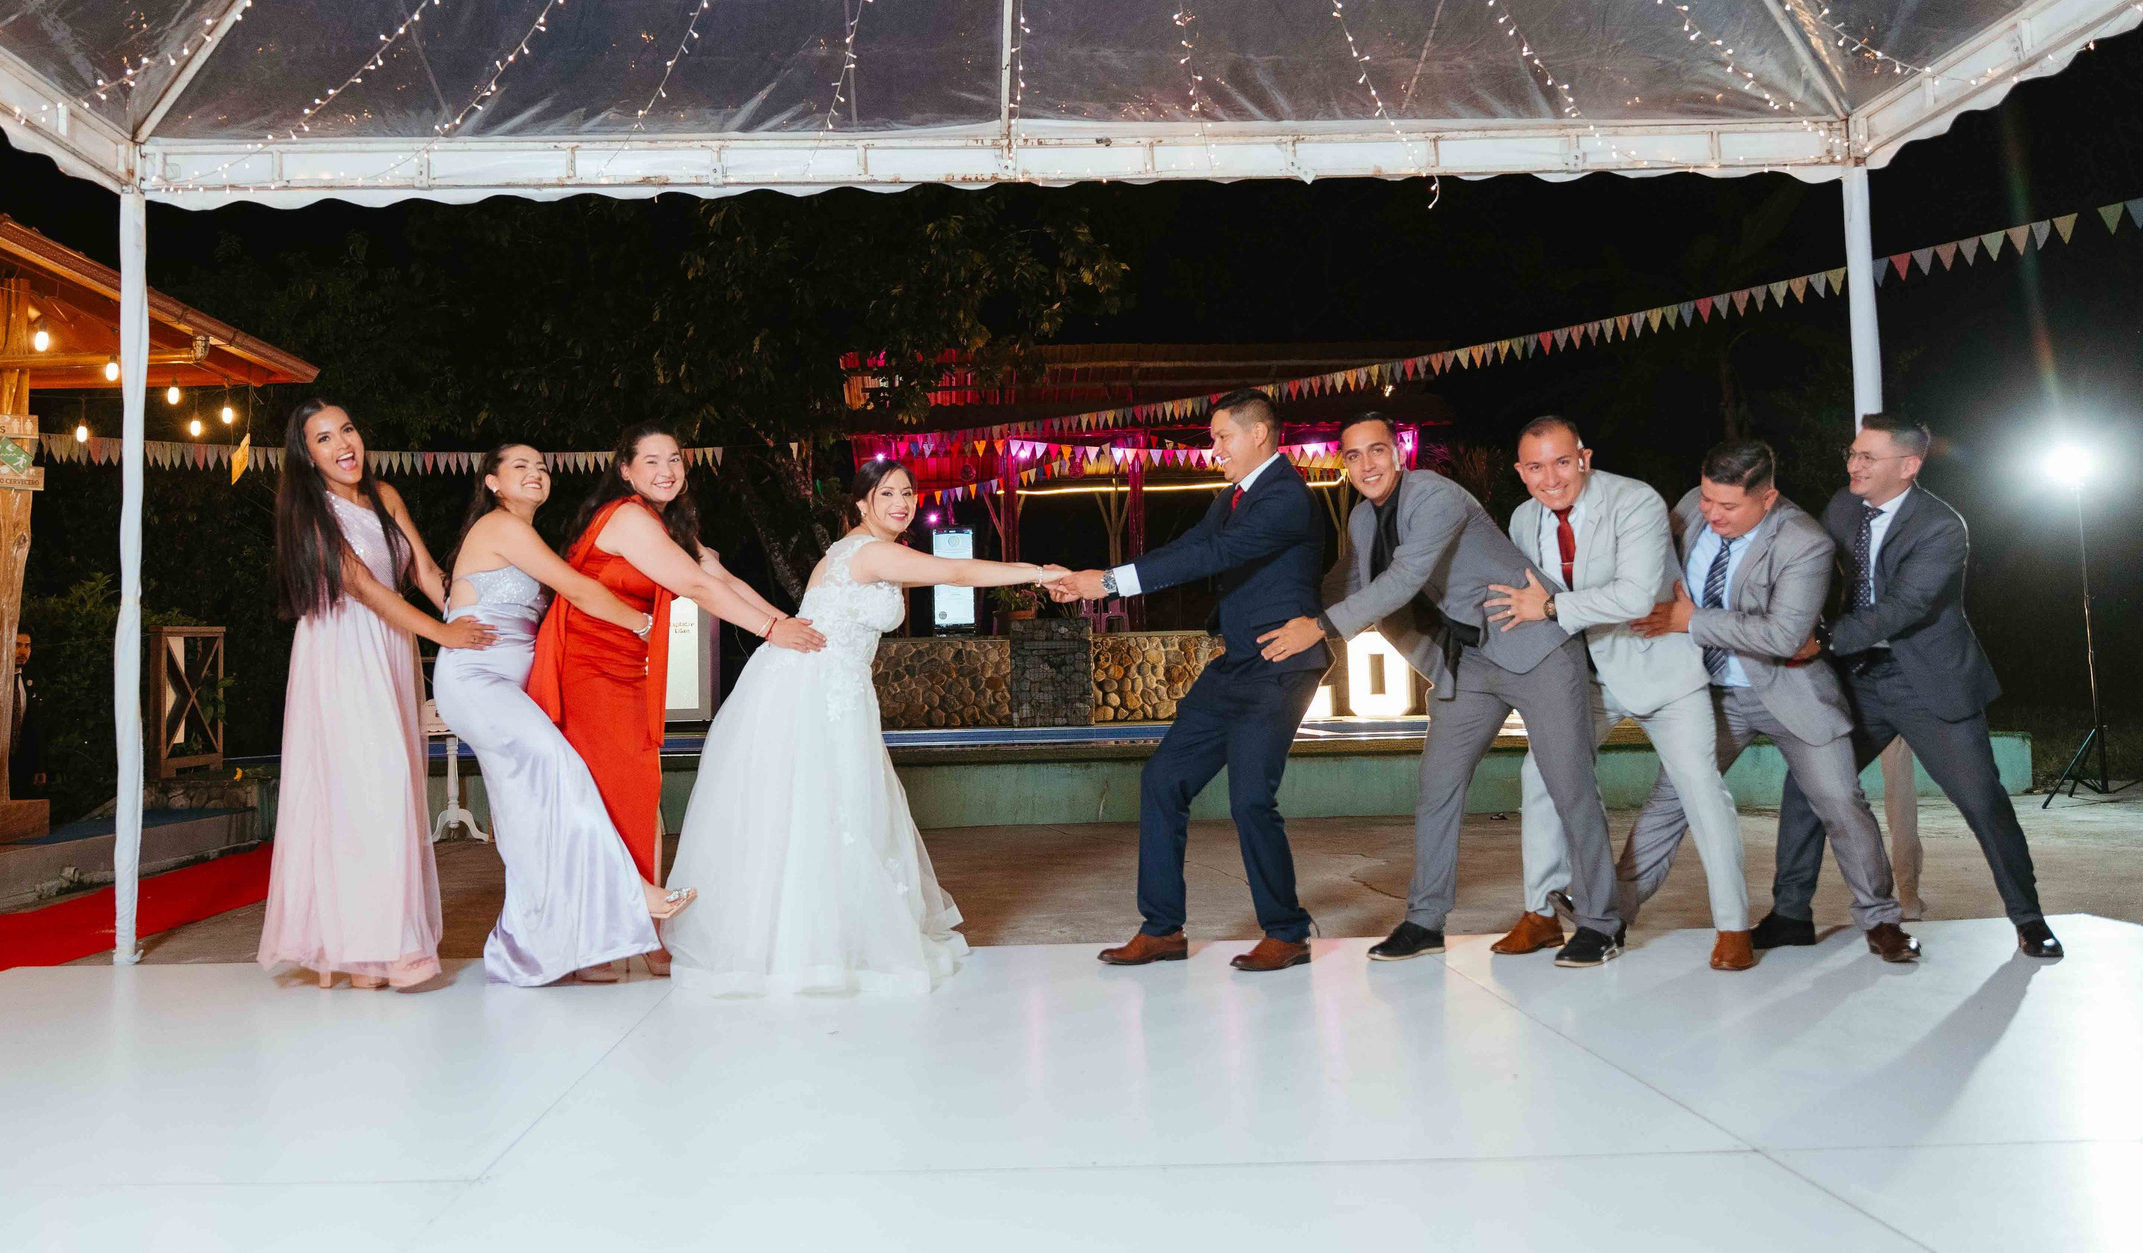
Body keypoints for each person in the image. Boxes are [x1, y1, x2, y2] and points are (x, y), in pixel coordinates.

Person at [665, 460, 1063, 996]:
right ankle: (812, 951)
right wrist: (1041, 573)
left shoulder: (850, 549)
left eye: (908, 493)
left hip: (826, 684)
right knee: (826, 810)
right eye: (887, 493)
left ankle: (822, 942)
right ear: (861, 503)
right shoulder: (870, 552)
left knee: (826, 812)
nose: (901, 503)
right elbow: (958, 573)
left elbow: (800, 613)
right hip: (816, 689)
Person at [1261, 413, 1624, 968]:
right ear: (1345, 466)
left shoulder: (1435, 496)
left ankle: (1601, 922)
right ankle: (1426, 921)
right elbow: (1348, 582)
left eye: (1376, 451)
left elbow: (1403, 579)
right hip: (1469, 663)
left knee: (1568, 783)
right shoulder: (1362, 519)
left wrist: (1321, 627)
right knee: (1437, 787)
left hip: (1535, 648)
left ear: (1398, 454)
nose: (1367, 465)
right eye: (1354, 457)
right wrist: (1277, 610)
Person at [526, 421, 826, 975]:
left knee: (639, 795)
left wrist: (788, 622)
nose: (667, 471)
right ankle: (607, 939)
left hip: (625, 669)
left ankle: (642, 931)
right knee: (613, 799)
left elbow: (717, 574)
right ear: (625, 471)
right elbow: (696, 588)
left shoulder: (664, 524)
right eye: (652, 461)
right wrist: (769, 631)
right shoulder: (627, 517)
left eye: (675, 460)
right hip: (586, 669)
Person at [1053, 389, 1337, 973]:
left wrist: (1107, 584)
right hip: (1234, 666)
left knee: (1251, 797)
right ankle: (1162, 930)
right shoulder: (1236, 497)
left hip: (1279, 667)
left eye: (1221, 437)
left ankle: (1286, 932)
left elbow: (1218, 555)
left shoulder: (1285, 497)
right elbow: (1192, 547)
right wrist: (1105, 577)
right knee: (1162, 780)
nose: (1214, 449)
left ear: (1259, 434)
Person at [1768, 414, 2059, 959]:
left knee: (1983, 803)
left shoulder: (1942, 526)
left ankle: (2029, 919)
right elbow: (1813, 569)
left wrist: (1823, 639)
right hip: (1858, 681)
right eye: (1851, 453)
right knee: (1807, 787)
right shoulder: (1843, 506)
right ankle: (1789, 915)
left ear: (1908, 466)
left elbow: (1907, 606)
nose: (1854, 465)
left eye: (1867, 458)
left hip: (1927, 682)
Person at [1626, 439, 1916, 961]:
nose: (1711, 513)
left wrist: (1691, 621)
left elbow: (1784, 637)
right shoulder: (1693, 505)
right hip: (1709, 694)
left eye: (1728, 506)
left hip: (1791, 691)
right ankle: (1607, 915)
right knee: (1670, 803)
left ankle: (1882, 922)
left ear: (1767, 498)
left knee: (1841, 805)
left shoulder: (1805, 541)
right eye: (1708, 499)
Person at [1492, 417, 1755, 969]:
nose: (1551, 478)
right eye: (1535, 467)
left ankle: (1733, 927)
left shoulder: (1635, 502)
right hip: (1581, 677)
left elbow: (1636, 597)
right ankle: (1541, 912)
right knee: (1539, 775)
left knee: (1700, 790)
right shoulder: (1521, 519)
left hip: (1659, 667)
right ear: (1521, 472)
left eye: (1562, 462)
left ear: (1584, 458)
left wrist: (1549, 608)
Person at [258, 399, 495, 991]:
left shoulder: (386, 495)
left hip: (393, 648)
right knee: (369, 786)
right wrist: (443, 634)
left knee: (393, 789)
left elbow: (421, 571)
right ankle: (373, 950)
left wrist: (472, 613)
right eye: (323, 438)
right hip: (340, 652)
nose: (343, 444)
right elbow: (361, 585)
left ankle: (378, 948)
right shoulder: (310, 511)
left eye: (347, 429)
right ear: (306, 455)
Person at [434, 443, 681, 987]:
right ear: (492, 483)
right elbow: (576, 588)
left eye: (541, 467)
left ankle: (558, 944)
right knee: (560, 765)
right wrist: (642, 628)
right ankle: (629, 891)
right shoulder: (501, 526)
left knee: (529, 819)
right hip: (478, 681)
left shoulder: (525, 535)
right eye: (519, 466)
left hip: (514, 687)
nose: (535, 474)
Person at [7, 628, 45, 807]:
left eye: (27, 646)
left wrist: (38, 767)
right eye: (17, 645)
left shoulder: (32, 680)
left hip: (22, 763)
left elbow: (36, 725)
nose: (23, 651)